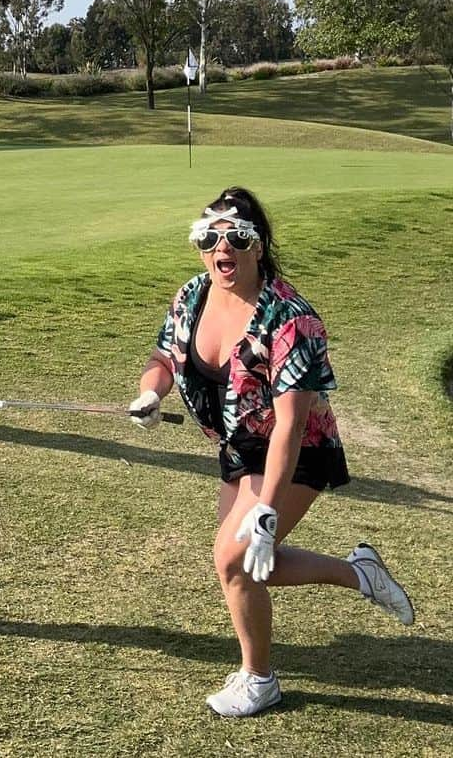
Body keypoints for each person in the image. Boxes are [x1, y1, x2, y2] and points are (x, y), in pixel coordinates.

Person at [129, 186, 414, 719]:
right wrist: (152, 391)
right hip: (239, 444)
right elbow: (164, 356)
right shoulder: (191, 295)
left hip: (298, 449)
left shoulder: (291, 319)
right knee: (243, 567)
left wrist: (265, 509)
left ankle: (259, 679)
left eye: (237, 237)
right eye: (210, 239)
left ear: (258, 246)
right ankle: (361, 574)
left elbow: (290, 424)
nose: (223, 249)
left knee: (233, 558)